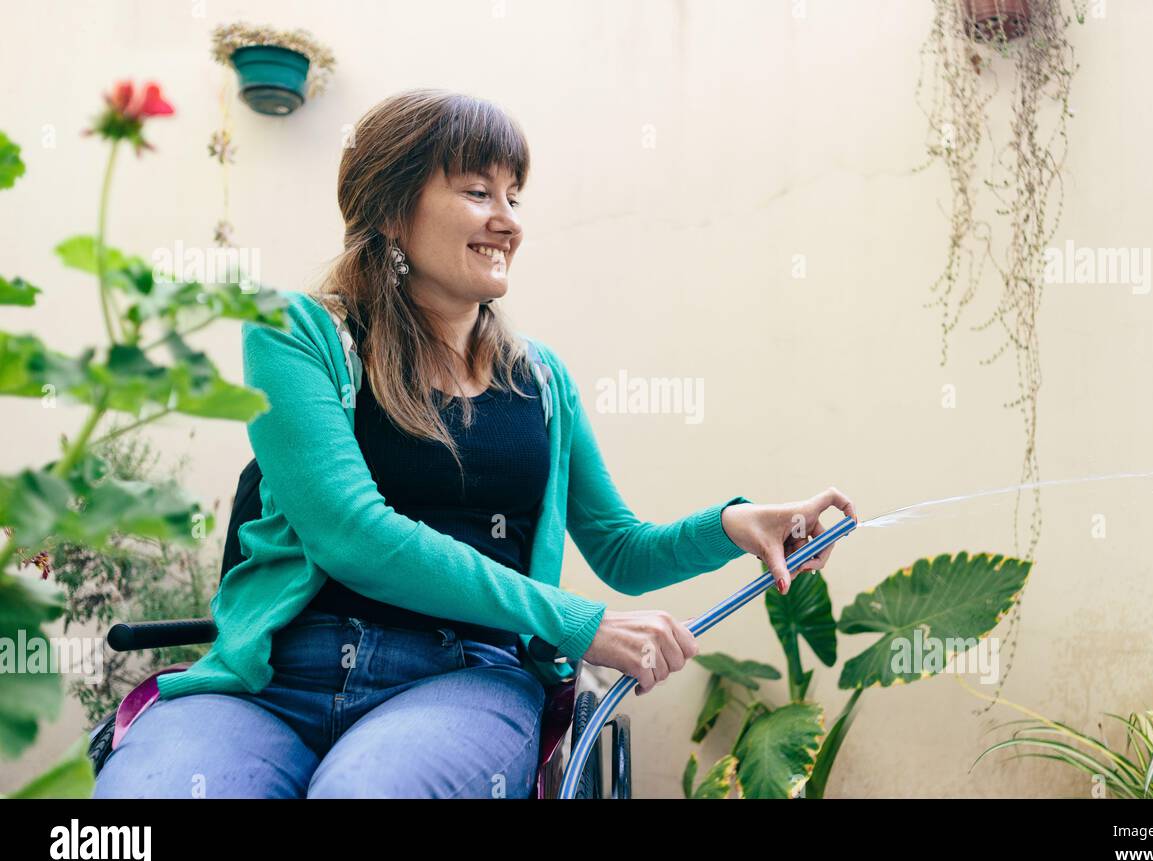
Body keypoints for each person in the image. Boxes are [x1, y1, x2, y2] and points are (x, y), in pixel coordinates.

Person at [93, 89, 856, 799]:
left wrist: (734, 524)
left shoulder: (542, 382)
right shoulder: (300, 334)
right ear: (393, 210)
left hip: (461, 678)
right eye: (478, 191)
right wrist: (576, 620)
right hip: (273, 680)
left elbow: (621, 547)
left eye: (514, 196)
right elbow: (348, 533)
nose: (509, 220)